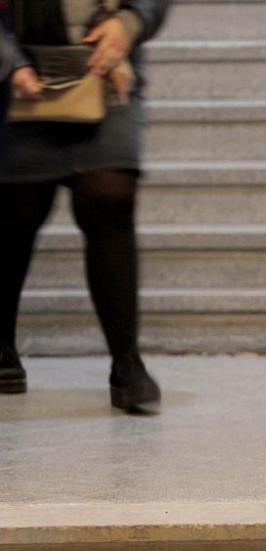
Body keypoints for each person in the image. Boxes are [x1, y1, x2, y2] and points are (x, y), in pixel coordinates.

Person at [0, 0, 170, 414]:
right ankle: (2, 347)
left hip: (105, 71)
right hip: (17, 73)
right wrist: (9, 62)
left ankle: (126, 362)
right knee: (16, 210)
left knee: (109, 197)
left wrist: (128, 24)